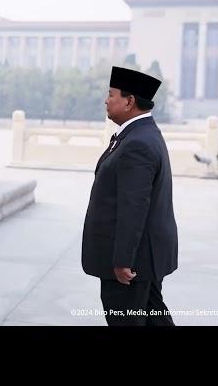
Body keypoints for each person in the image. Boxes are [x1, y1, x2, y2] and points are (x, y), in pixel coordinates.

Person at [82, 66, 178, 326]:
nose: (106, 99)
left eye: (111, 94)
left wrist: (123, 261)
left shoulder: (137, 143)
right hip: (144, 258)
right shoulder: (140, 134)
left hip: (131, 264)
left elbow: (133, 206)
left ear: (130, 101)